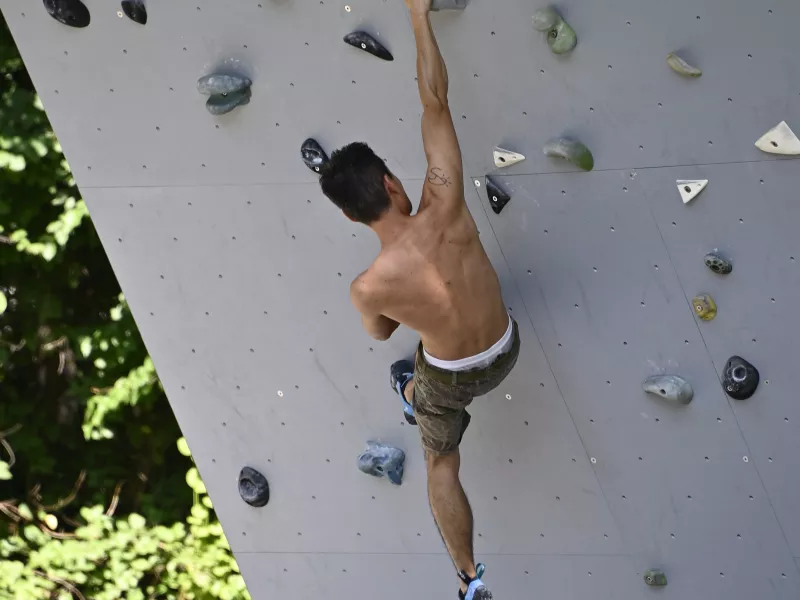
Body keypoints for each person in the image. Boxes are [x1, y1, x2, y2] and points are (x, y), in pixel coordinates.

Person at [318, 1, 520, 598]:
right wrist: (416, 15)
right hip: (506, 347)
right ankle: (412, 391)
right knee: (420, 377)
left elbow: (379, 333)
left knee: (440, 462)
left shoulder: (368, 285)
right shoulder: (446, 196)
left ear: (355, 217)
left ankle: (469, 580)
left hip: (452, 377)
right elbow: (436, 101)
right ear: (391, 183)